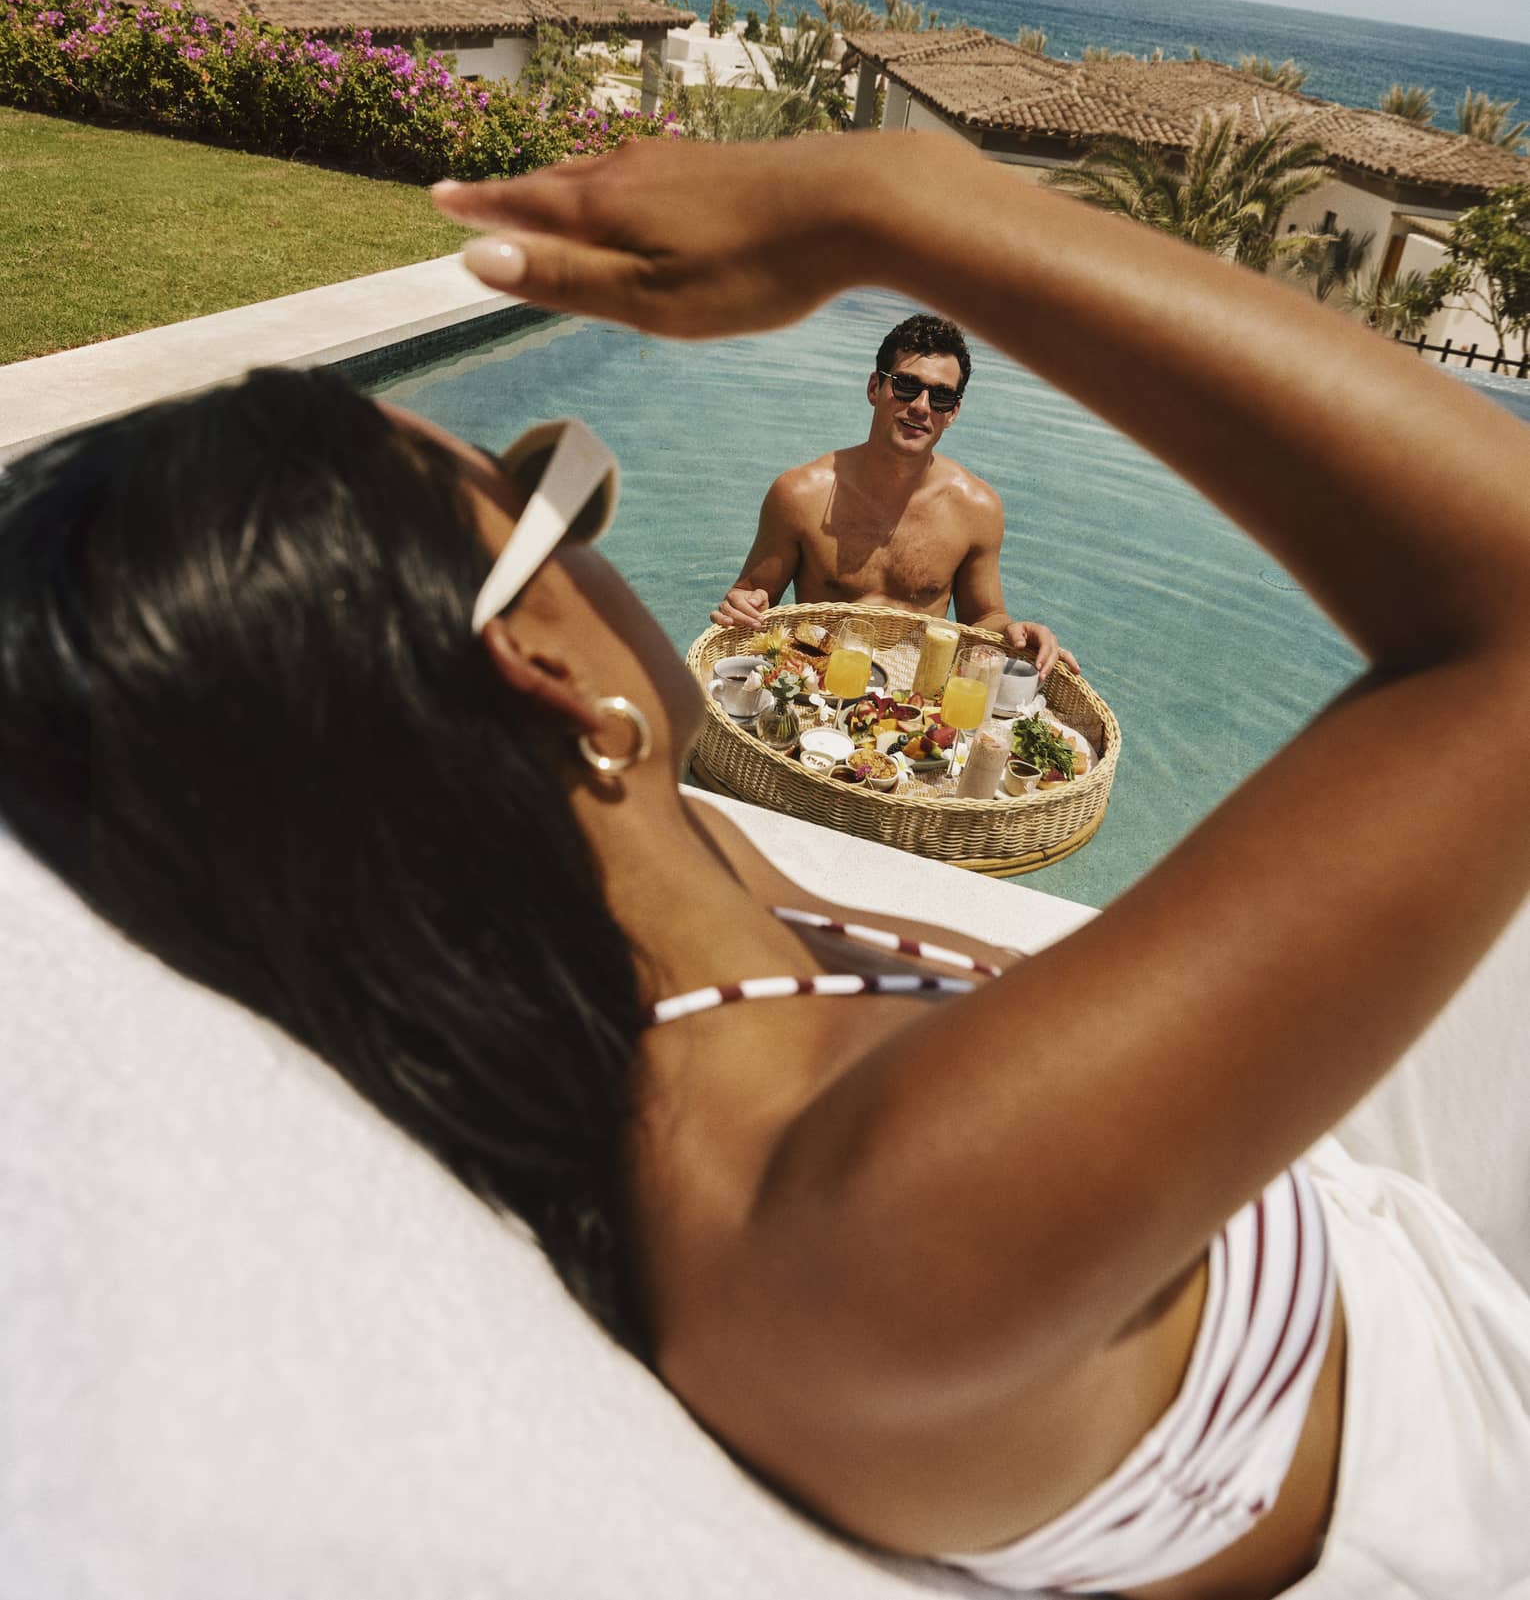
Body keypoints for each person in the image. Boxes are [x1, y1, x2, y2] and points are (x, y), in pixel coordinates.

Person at [2, 127, 1528, 1599]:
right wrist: (897, 199)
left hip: (1338, 1230)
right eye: (555, 489)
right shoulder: (879, 1228)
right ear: (552, 682)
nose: (599, 529)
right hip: (1468, 1423)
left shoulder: (651, 930)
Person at [708, 311, 1078, 678]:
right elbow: (753, 596)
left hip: (917, 702)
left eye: (941, 397)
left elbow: (983, 620)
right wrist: (742, 604)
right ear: (874, 388)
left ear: (953, 413)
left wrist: (1020, 636)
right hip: (816, 688)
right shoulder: (801, 494)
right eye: (905, 386)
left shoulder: (976, 508)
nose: (920, 406)